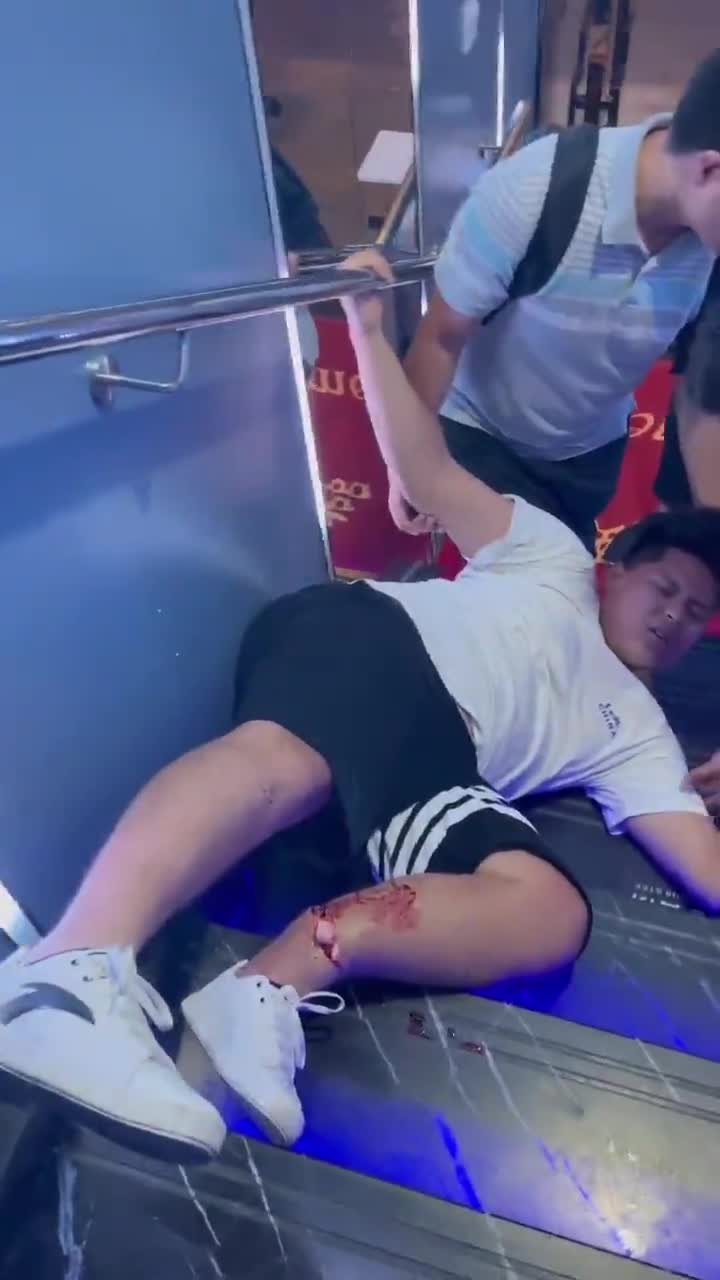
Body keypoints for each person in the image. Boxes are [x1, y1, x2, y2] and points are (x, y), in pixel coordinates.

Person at [2, 252, 720, 1166]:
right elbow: (425, 466)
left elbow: (705, 869)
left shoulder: (642, 733)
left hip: (433, 769)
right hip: (375, 642)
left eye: (697, 613)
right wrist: (370, 328)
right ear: (616, 570)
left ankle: (266, 988)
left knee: (551, 912)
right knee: (293, 760)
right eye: (665, 589)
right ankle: (64, 975)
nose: (674, 617)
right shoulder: (553, 555)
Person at [394, 50, 720, 548]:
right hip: (483, 435)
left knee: (567, 579)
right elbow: (441, 337)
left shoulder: (709, 247)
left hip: (588, 453)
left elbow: (704, 398)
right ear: (710, 170)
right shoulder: (537, 187)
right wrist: (410, 467)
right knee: (535, 583)